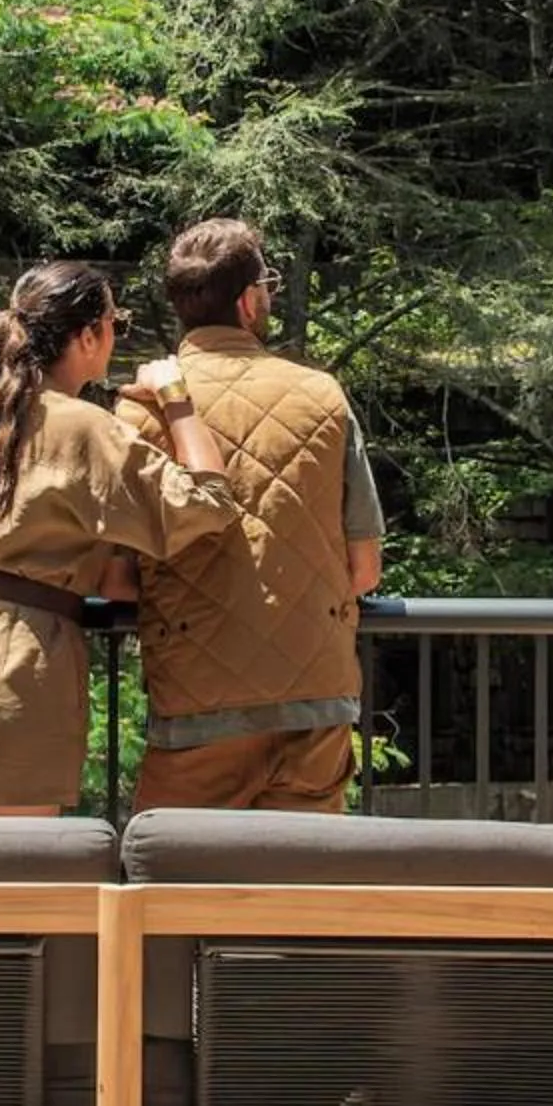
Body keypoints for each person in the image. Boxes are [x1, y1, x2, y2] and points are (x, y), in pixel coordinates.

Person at [0, 259, 239, 814]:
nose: (116, 336)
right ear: (88, 336)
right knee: (17, 885)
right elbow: (210, 501)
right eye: (118, 324)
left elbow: (55, 553)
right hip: (11, 665)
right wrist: (177, 400)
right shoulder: (84, 426)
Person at [112, 218, 384, 812]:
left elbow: (116, 573)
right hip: (316, 697)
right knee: (299, 894)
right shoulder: (323, 397)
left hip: (197, 697)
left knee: (175, 889)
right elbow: (364, 570)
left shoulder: (139, 412)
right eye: (268, 282)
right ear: (248, 300)